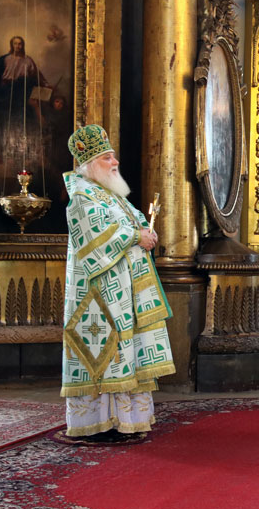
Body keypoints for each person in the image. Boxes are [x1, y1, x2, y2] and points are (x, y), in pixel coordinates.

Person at [61, 124, 176, 443]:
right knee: (103, 352)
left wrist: (146, 233)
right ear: (91, 163)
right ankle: (97, 423)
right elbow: (95, 237)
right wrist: (135, 236)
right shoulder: (81, 196)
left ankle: (127, 420)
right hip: (97, 296)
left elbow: (134, 222)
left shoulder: (111, 195)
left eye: (113, 156)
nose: (115, 162)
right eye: (107, 158)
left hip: (124, 293)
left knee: (126, 351)